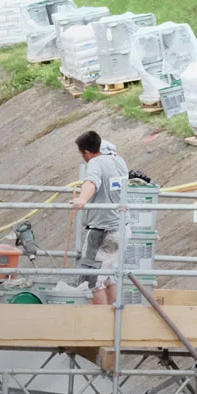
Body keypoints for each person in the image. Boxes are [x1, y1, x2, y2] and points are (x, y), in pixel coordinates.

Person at [70, 130, 129, 305]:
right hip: (122, 228)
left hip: (103, 230)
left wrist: (81, 199)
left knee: (91, 280)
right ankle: (114, 324)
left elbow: (91, 182)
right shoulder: (119, 161)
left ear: (86, 153)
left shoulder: (95, 162)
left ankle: (100, 325)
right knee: (109, 277)